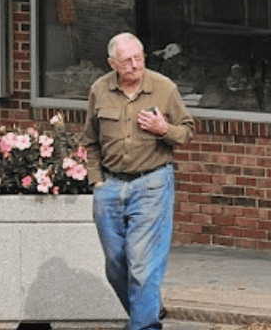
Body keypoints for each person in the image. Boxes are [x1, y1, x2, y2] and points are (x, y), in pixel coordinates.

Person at [83, 32, 194, 330]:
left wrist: (163, 129)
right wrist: (97, 181)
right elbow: (89, 141)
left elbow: (186, 132)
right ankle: (150, 309)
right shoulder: (99, 90)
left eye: (139, 58)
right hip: (110, 186)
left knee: (143, 267)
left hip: (152, 183)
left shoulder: (164, 88)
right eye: (127, 61)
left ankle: (144, 326)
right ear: (112, 64)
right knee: (116, 263)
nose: (135, 65)